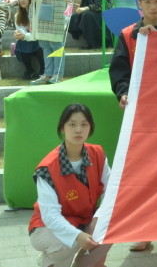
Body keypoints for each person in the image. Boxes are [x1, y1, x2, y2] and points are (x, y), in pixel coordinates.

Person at [108, 0, 157, 251]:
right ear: (139, 4)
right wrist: (122, 93)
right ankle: (144, 230)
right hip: (140, 114)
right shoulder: (128, 35)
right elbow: (119, 71)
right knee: (142, 172)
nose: (153, 6)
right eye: (147, 1)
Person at [28, 103, 112, 267]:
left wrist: (99, 218)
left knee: (111, 223)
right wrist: (77, 235)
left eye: (84, 124)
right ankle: (48, 261)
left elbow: (111, 192)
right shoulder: (47, 169)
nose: (78, 130)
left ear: (90, 127)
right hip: (46, 226)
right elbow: (50, 216)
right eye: (72, 124)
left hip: (85, 220)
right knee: (67, 243)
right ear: (62, 128)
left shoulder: (98, 154)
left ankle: (87, 264)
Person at [13, 0, 44, 80]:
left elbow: (38, 33)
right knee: (21, 43)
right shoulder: (18, 15)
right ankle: (29, 70)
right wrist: (18, 33)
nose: (22, 0)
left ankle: (43, 70)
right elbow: (21, 30)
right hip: (27, 41)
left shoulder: (39, 14)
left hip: (38, 40)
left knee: (40, 43)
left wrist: (24, 36)